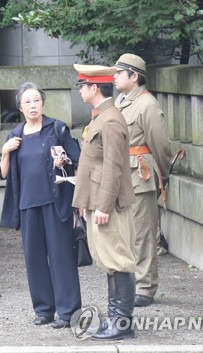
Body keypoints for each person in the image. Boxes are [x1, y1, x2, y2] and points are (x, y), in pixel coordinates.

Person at [0, 82, 82, 329]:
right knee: (34, 258)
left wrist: (63, 162)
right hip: (27, 204)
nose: (33, 105)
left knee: (61, 256)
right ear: (20, 107)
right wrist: (5, 152)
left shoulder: (56, 128)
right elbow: (4, 174)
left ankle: (68, 312)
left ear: (42, 103)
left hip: (56, 202)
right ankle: (44, 310)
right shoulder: (14, 136)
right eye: (27, 101)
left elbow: (74, 165)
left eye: (36, 100)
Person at [72, 64, 137, 340]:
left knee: (118, 260)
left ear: (94, 87)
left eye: (82, 85)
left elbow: (113, 167)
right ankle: (115, 320)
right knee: (109, 261)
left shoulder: (110, 119)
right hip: (98, 201)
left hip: (108, 204)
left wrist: (104, 206)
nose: (80, 90)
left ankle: (121, 324)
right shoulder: (101, 116)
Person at [112, 54, 172, 307]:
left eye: (119, 72)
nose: (114, 76)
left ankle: (145, 288)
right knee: (126, 233)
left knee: (144, 234)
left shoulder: (147, 104)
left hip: (141, 175)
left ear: (134, 76)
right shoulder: (121, 100)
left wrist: (163, 173)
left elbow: (160, 145)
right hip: (123, 174)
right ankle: (132, 282)